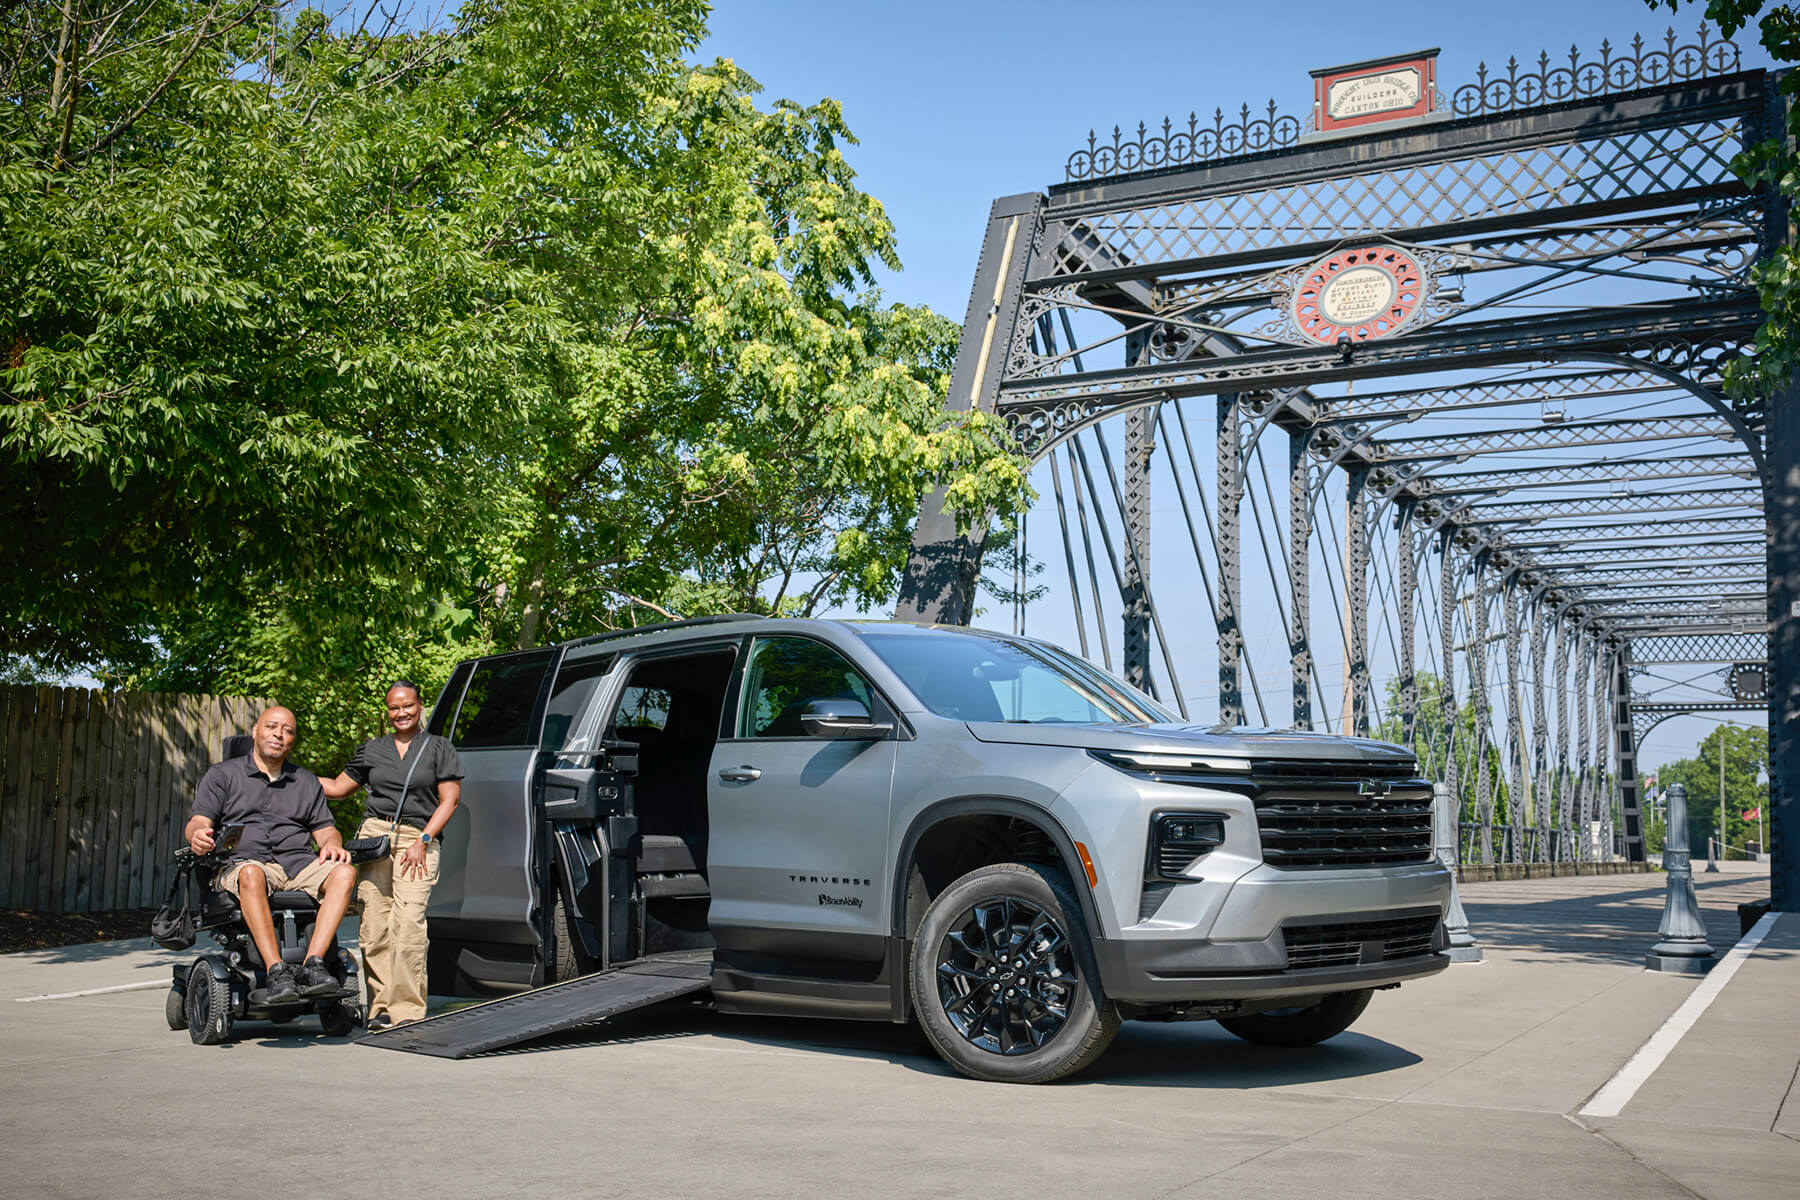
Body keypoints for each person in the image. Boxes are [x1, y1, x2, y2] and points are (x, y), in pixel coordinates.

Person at [185, 705, 355, 1003]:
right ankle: (276, 970)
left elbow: (325, 829)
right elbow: (199, 821)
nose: (278, 734)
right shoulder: (223, 775)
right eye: (271, 726)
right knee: (252, 872)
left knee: (345, 872)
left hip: (297, 863)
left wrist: (332, 843)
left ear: (293, 740)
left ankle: (314, 964)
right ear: (255, 731)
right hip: (243, 864)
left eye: (287, 730)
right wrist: (196, 835)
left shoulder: (305, 782)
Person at [320, 680, 462, 1030]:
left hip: (418, 838)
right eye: (394, 708)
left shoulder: (438, 747)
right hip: (375, 839)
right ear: (387, 711)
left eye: (408, 706)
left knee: (409, 923)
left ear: (419, 706)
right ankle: (379, 1007)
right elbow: (338, 789)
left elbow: (450, 800)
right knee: (374, 926)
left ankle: (408, 1010)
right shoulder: (372, 750)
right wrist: (293, 778)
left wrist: (424, 839)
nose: (401, 713)